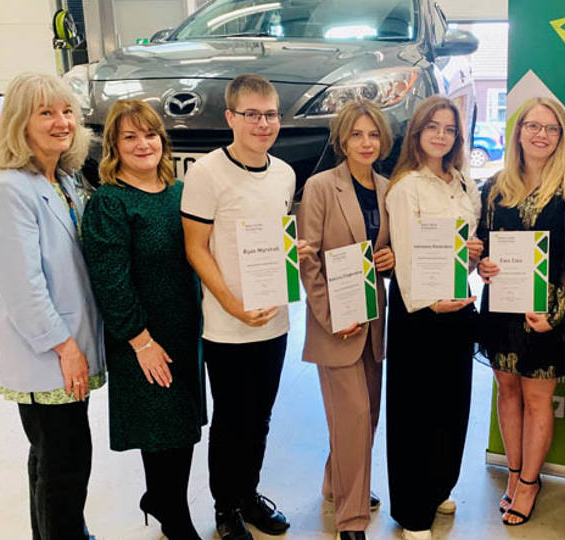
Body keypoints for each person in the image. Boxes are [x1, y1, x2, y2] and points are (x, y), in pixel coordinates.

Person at [181, 74, 309, 540]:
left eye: (270, 114)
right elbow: (196, 249)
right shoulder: (206, 173)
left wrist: (298, 258)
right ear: (231, 117)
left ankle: (249, 495)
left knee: (261, 416)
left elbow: (275, 243)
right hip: (227, 326)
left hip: (274, 322)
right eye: (252, 114)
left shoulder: (285, 173)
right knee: (233, 419)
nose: (263, 123)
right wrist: (233, 306)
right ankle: (225, 507)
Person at [0, 72, 105, 540]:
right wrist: (64, 346)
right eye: (46, 113)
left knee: (54, 457)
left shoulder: (64, 180)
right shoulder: (10, 191)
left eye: (67, 111)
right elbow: (22, 287)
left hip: (67, 347)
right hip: (47, 354)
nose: (62, 122)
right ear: (19, 123)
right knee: (65, 463)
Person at [80, 100, 206, 540]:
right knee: (161, 428)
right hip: (143, 337)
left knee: (184, 427)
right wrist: (140, 340)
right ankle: (172, 512)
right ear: (113, 145)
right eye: (129, 136)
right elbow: (110, 282)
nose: (142, 144)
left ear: (163, 140)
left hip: (186, 330)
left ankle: (162, 499)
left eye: (150, 134)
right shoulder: (110, 203)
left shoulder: (180, 193)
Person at [476, 97, 565, 526]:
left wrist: (556, 312)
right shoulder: (494, 186)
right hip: (501, 309)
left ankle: (530, 483)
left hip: (546, 312)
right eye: (533, 126)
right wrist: (483, 263)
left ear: (561, 137)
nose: (541, 135)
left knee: (536, 397)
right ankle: (513, 473)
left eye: (551, 128)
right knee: (506, 391)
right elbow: (482, 247)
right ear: (519, 131)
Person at [384, 95, 482, 540]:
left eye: (449, 129)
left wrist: (476, 253)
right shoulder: (407, 186)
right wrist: (428, 303)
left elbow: (468, 245)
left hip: (458, 308)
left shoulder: (464, 185)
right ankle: (412, 510)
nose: (441, 136)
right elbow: (404, 254)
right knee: (415, 413)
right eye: (432, 128)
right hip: (419, 314)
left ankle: (439, 484)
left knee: (452, 407)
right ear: (417, 133)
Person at [297, 99, 395, 540]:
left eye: (373, 134)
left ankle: (337, 483)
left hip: (374, 320)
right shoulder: (320, 187)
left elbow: (387, 255)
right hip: (336, 324)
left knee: (366, 415)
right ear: (342, 139)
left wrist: (390, 260)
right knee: (353, 416)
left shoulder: (389, 188)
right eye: (357, 134)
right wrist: (330, 316)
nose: (366, 142)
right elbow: (309, 260)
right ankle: (352, 519)